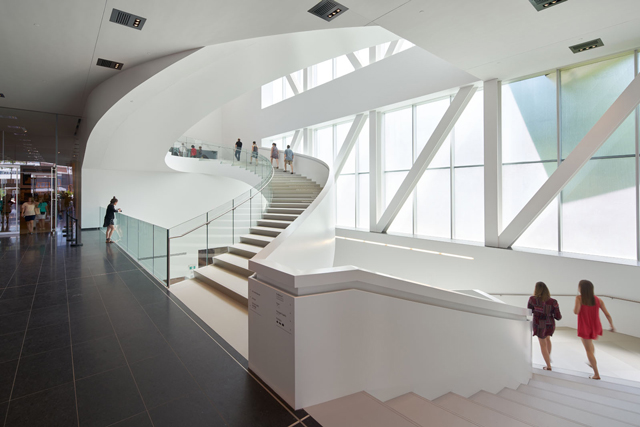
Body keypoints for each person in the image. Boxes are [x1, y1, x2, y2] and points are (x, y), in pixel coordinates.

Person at [574, 280, 615, 380]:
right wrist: (611, 325)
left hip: (585, 326)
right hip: (595, 326)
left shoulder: (579, 298)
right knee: (590, 345)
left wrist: (578, 303)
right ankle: (591, 362)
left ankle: (596, 374)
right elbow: (607, 314)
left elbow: (576, 311)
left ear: (581, 289)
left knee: (588, 350)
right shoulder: (598, 300)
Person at [527, 282, 561, 371]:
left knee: (542, 344)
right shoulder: (553, 301)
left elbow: (529, 311)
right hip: (550, 323)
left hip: (539, 324)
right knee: (548, 339)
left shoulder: (532, 299)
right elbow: (558, 316)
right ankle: (548, 357)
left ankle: (548, 366)